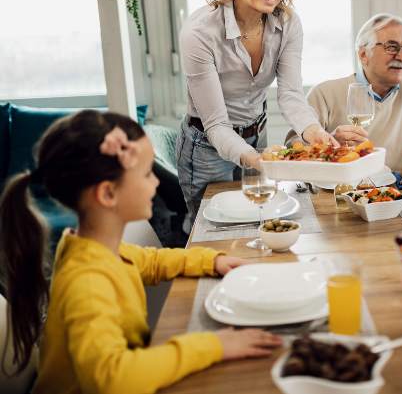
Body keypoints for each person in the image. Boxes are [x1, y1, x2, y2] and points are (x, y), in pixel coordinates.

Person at [0, 110, 282, 392]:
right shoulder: (86, 282)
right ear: (107, 194)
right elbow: (115, 379)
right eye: (146, 173)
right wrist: (215, 345)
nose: (156, 182)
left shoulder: (96, 249)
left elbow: (151, 261)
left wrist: (212, 259)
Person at [177, 0, 335, 233]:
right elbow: (216, 125)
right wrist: (260, 161)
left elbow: (290, 94)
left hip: (256, 134)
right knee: (212, 233)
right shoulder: (199, 33)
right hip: (207, 146)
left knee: (258, 223)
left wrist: (315, 133)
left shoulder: (287, 24)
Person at [286, 13, 402, 170]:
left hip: (397, 193)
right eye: (392, 47)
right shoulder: (324, 93)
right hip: (337, 196)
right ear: (363, 54)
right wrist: (327, 144)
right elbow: (292, 148)